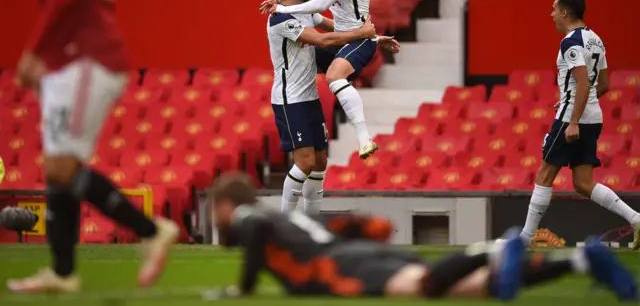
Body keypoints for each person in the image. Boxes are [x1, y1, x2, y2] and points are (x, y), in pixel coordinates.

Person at [7, 0, 178, 294]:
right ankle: (64, 272)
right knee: (58, 167)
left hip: (88, 58)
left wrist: (33, 51)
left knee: (62, 166)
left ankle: (150, 231)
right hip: (69, 60)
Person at [204, 172, 638, 301]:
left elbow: (257, 229)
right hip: (354, 251)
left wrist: (242, 289)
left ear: (227, 205)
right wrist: (365, 227)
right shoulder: (286, 219)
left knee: (424, 288)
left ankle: (494, 247)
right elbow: (338, 223)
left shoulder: (248, 216)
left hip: (341, 265)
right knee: (467, 289)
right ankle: (582, 261)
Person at [269, 0, 399, 214]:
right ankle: (283, 223)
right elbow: (322, 40)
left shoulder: (303, 10)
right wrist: (361, 32)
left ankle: (312, 222)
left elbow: (334, 29)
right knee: (305, 162)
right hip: (289, 100)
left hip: (309, 97)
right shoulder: (280, 19)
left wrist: (372, 39)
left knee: (319, 162)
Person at [520, 0, 640, 250]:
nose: (551, 14)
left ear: (565, 12)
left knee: (544, 174)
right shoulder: (596, 40)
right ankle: (636, 218)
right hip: (594, 117)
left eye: (554, 9)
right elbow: (604, 83)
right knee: (583, 183)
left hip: (571, 119)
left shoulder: (570, 42)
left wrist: (573, 118)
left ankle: (525, 239)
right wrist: (576, 101)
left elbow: (584, 83)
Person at [260, 0, 380, 159]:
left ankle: (364, 138)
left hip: (356, 40)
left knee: (334, 75)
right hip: (345, 39)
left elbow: (322, 3)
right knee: (302, 56)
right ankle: (297, 102)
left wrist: (282, 9)